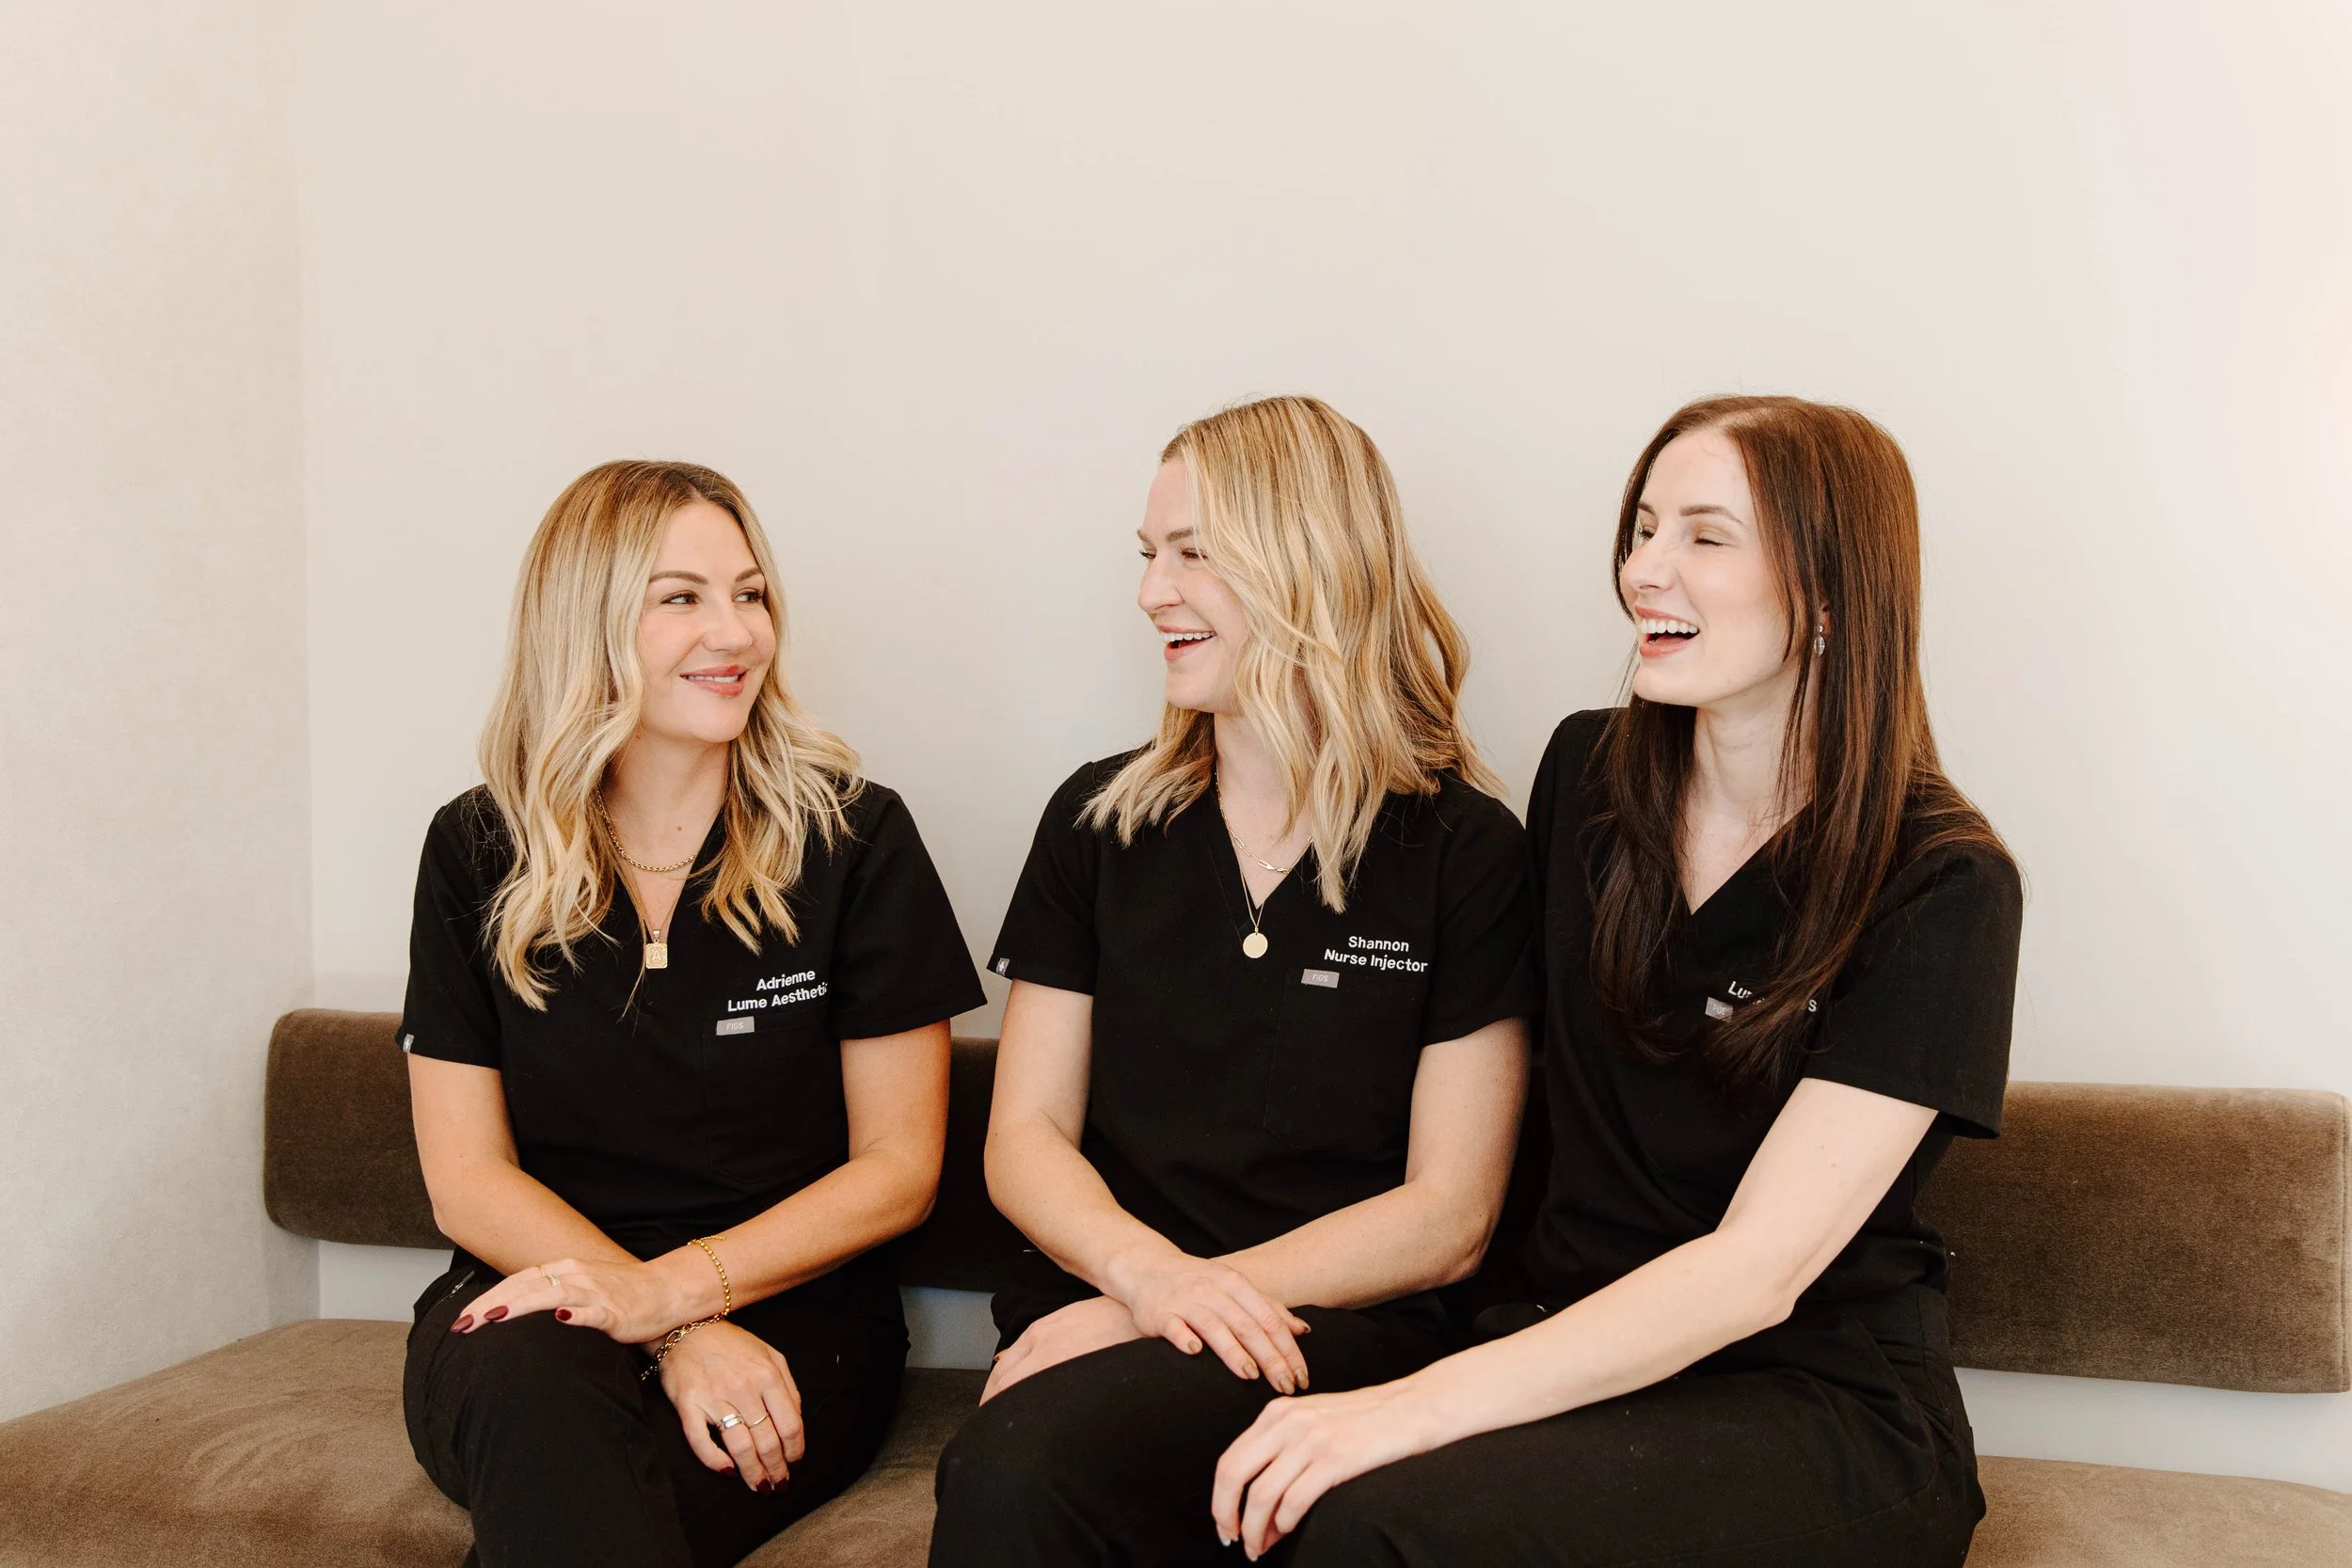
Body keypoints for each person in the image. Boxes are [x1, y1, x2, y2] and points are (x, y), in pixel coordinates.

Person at [1212, 396, 2024, 1566]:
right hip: (1564, 1337)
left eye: (1704, 535)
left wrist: (1411, 1406)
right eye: (1643, 527)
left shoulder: (1942, 881)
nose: (1643, 569)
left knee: (1370, 1525)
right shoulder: (1585, 774)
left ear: (1836, 596)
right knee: (1285, 1504)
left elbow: (1756, 1272)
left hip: (1807, 1395)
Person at [929, 395, 1541, 1566]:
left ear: (1309, 561)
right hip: (1107, 1305)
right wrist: (1141, 1277)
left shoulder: (1465, 850)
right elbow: (1026, 1135)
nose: (1152, 590)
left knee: (1036, 1466)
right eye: (1149, 556)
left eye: (1194, 552)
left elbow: (1449, 1215)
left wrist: (1161, 1305)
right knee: (1021, 1468)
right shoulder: (1098, 822)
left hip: (1340, 1331)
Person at [398, 460, 984, 1568]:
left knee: (588, 1517)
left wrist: (678, 1295)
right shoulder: (478, 846)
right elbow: (466, 1176)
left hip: (797, 1317)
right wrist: (670, 1332)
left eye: (751, 593)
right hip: (531, 1299)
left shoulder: (854, 839)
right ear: (589, 622)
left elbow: (900, 1167)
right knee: (539, 1389)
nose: (737, 632)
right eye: (683, 597)